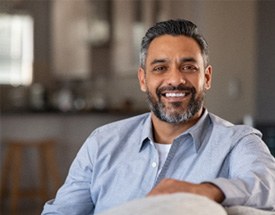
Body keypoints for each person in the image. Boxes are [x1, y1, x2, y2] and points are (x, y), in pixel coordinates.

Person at [42, 19, 275, 214]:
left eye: (188, 67)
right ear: (143, 80)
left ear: (207, 77)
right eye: (160, 68)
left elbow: (267, 185)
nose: (175, 80)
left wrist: (205, 191)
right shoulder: (102, 142)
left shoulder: (239, 142)